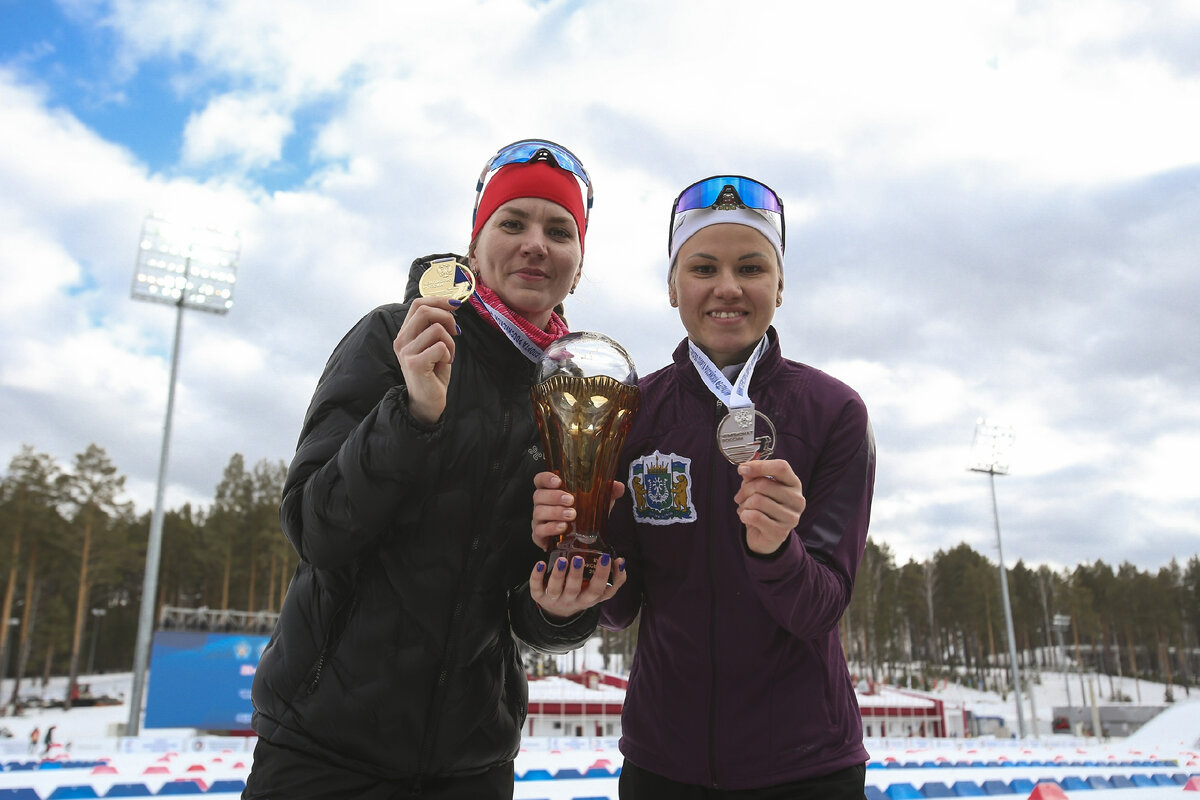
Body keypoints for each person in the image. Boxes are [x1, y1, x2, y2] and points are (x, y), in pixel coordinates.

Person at [246, 139, 624, 800]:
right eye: (513, 223)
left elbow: (528, 621)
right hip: (325, 751)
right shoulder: (392, 339)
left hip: (469, 767)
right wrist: (413, 415)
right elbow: (316, 530)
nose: (536, 243)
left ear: (579, 265)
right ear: (474, 249)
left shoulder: (572, 398)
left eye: (559, 230)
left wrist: (560, 601)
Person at [533, 176, 875, 797]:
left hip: (807, 766)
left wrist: (775, 550)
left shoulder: (833, 412)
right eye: (702, 267)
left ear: (780, 284)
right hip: (665, 765)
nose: (727, 287)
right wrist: (584, 555)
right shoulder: (633, 410)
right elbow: (620, 609)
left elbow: (822, 606)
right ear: (672, 286)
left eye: (751, 266)